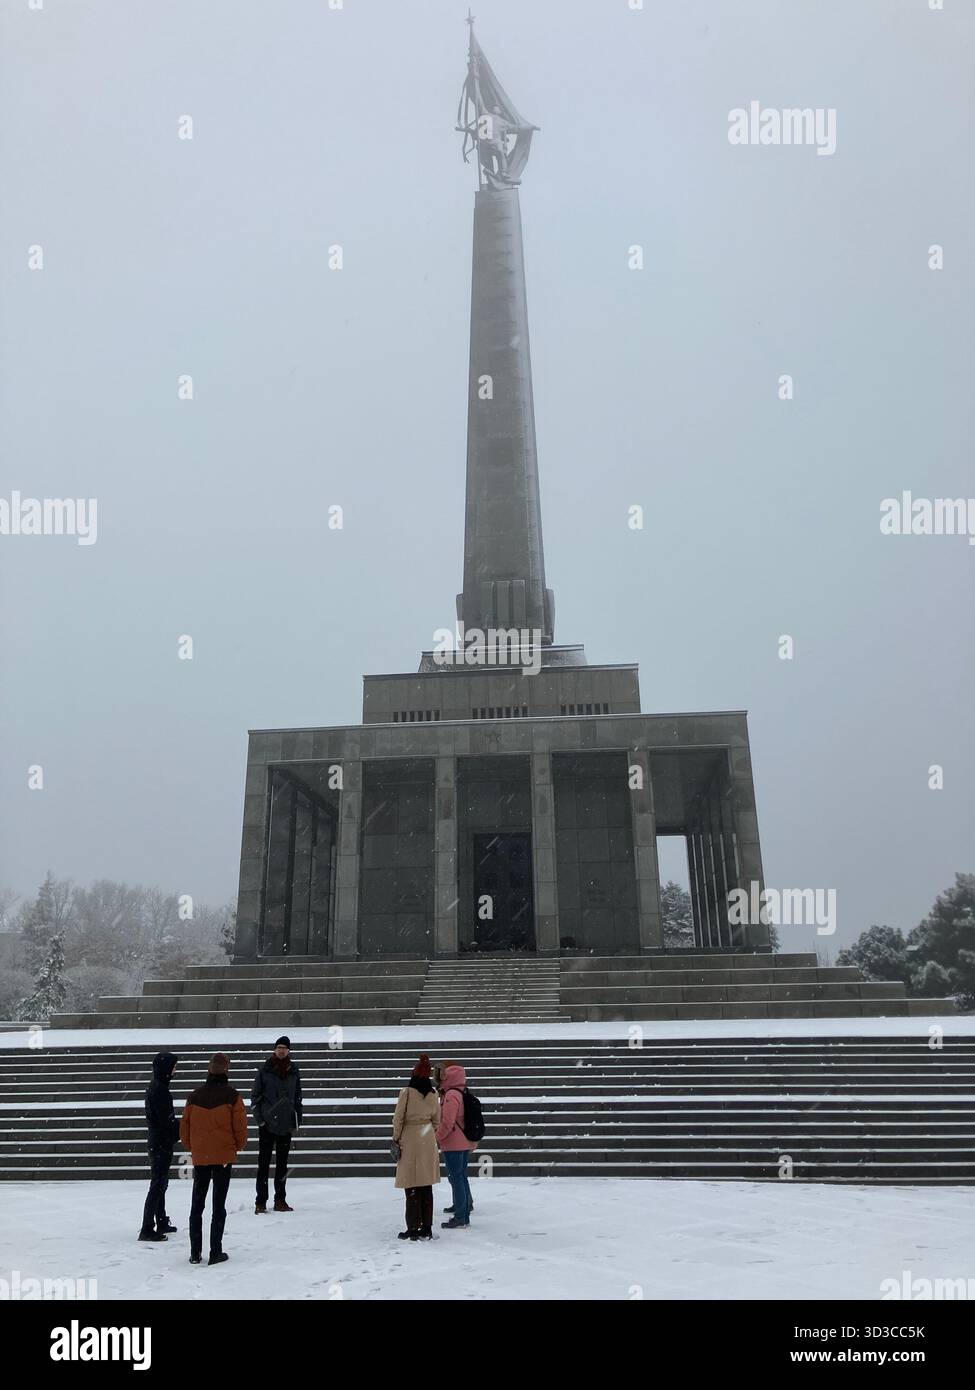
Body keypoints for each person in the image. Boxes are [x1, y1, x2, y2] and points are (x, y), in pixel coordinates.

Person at [179, 1052, 248, 1266]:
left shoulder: (195, 1096)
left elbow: (184, 1129)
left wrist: (195, 1148)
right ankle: (215, 1250)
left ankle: (195, 1252)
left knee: (197, 1204)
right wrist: (235, 1148)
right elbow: (241, 1128)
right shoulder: (232, 1095)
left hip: (201, 1157)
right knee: (218, 1205)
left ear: (209, 1070)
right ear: (226, 1070)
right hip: (223, 1157)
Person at [392, 1053, 440, 1242]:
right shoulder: (434, 1094)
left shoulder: (407, 1092)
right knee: (426, 1184)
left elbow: (398, 1118)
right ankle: (426, 1226)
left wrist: (396, 1137)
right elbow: (437, 1120)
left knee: (411, 1184)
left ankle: (413, 1226)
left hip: (410, 1137)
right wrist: (427, 1131)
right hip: (427, 1138)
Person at [251, 1035, 302, 1213]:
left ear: (288, 1051)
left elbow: (297, 1098)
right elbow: (255, 1096)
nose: (281, 1050)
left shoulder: (293, 1071)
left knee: (282, 1164)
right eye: (279, 1047)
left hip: (285, 1124)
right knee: (263, 1164)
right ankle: (261, 1201)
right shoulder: (265, 1070)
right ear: (274, 1049)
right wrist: (261, 1120)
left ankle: (280, 1199)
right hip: (267, 1125)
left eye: (284, 1048)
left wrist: (297, 1120)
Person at [138, 1051, 179, 1242]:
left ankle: (160, 1220)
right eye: (173, 1066)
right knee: (158, 1184)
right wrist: (180, 1130)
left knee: (161, 1183)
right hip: (161, 1141)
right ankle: (147, 1226)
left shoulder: (156, 1087)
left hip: (158, 1141)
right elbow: (166, 1121)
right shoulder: (160, 1090)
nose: (175, 1070)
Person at [436, 1062, 477, 1229]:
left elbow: (447, 1121)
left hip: (453, 1143)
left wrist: (438, 1137)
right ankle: (463, 1207)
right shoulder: (462, 1092)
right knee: (461, 1176)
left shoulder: (452, 1095)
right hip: (464, 1142)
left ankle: (461, 1216)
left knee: (456, 1177)